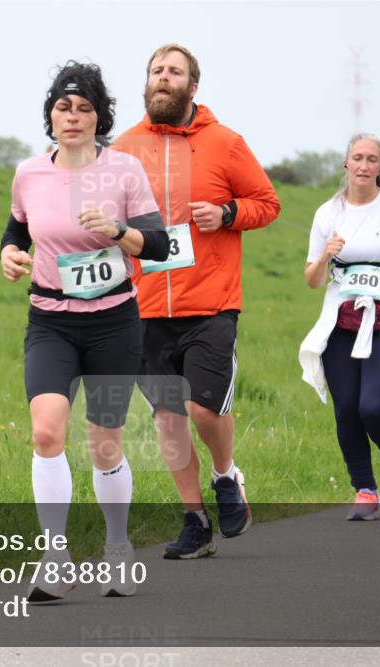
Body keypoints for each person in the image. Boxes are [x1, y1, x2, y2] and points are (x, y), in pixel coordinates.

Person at [0, 61, 168, 599]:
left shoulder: (124, 172)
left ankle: (117, 548)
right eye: (63, 107)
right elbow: (17, 228)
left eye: (84, 108)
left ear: (100, 118)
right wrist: (8, 253)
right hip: (49, 320)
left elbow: (159, 245)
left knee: (103, 444)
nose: (72, 117)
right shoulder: (29, 172)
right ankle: (56, 558)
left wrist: (119, 232)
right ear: (50, 116)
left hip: (113, 324)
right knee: (46, 432)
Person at [113, 44, 281, 558]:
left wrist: (227, 213)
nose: (164, 78)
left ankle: (227, 477)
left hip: (210, 301)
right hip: (143, 307)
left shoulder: (225, 143)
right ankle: (195, 522)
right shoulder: (123, 148)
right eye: (156, 71)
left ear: (193, 85)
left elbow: (268, 203)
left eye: (174, 72)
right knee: (168, 419)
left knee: (203, 410)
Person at [299, 133, 380, 521]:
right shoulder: (328, 214)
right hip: (340, 319)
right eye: (357, 158)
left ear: (379, 166)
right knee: (346, 411)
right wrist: (326, 254)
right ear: (346, 164)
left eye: (371, 159)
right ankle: (364, 490)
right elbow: (311, 279)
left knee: (374, 406)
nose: (363, 165)